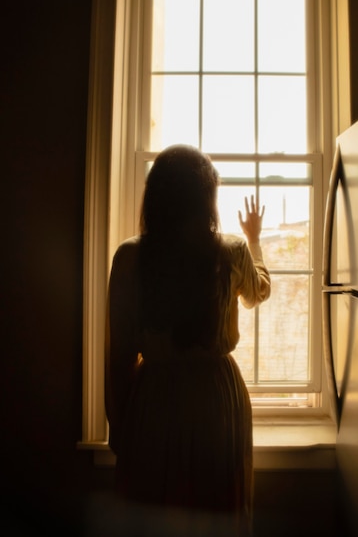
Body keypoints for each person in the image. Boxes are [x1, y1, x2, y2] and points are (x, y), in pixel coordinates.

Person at [105, 144, 270, 536]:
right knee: (215, 511)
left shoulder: (129, 256)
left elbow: (120, 355)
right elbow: (257, 292)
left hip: (156, 398)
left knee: (156, 507)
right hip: (217, 396)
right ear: (206, 198)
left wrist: (118, 426)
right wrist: (254, 239)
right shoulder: (230, 250)